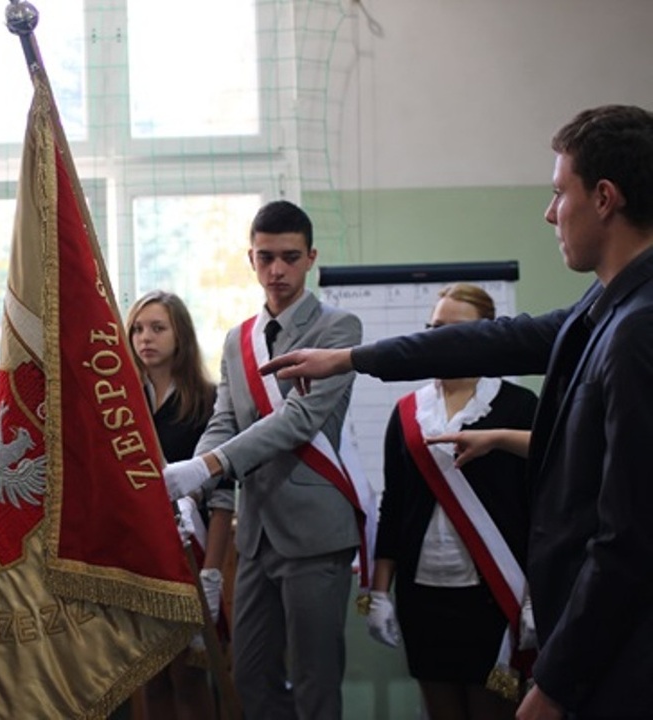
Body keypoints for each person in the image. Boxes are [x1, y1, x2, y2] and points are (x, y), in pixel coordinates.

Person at [260, 105, 653, 719]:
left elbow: (630, 537)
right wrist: (352, 358)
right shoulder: (605, 306)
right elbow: (490, 341)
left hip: (619, 667)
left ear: (604, 198)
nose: (550, 212)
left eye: (559, 193)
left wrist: (556, 681)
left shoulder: (639, 327)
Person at [163, 200, 364, 719]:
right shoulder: (238, 339)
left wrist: (207, 467)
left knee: (316, 683)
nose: (277, 270)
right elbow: (224, 420)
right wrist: (191, 481)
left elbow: (298, 421)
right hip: (255, 534)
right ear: (250, 258)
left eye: (290, 257)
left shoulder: (339, 329)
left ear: (311, 258)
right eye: (266, 257)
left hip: (316, 532)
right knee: (250, 677)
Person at [368, 283, 538, 720]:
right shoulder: (408, 411)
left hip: (494, 595)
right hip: (423, 595)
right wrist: (379, 593)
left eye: (455, 330)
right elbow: (394, 505)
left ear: (488, 337)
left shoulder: (519, 407)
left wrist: (535, 596)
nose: (439, 339)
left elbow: (540, 510)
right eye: (433, 328)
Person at [126, 289, 229, 720]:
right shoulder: (121, 405)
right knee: (151, 678)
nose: (145, 338)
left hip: (192, 552)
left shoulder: (209, 400)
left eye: (157, 328)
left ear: (180, 335)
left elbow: (223, 496)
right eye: (137, 329)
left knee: (189, 675)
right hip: (138, 555)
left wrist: (213, 572)